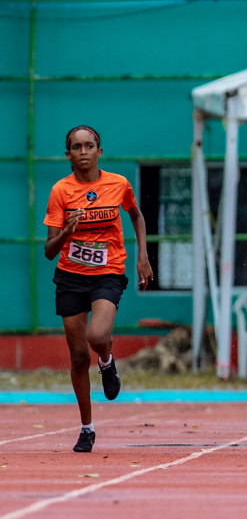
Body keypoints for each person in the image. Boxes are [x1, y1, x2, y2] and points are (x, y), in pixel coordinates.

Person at [43, 125, 154, 453]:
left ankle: (106, 360)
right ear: (68, 155)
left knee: (97, 336)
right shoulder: (60, 191)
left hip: (108, 272)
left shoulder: (118, 184)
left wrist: (142, 255)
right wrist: (66, 231)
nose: (83, 152)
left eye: (89, 146)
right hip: (70, 277)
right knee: (78, 358)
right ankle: (87, 428)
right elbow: (49, 249)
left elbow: (136, 215)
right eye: (76, 147)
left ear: (99, 151)